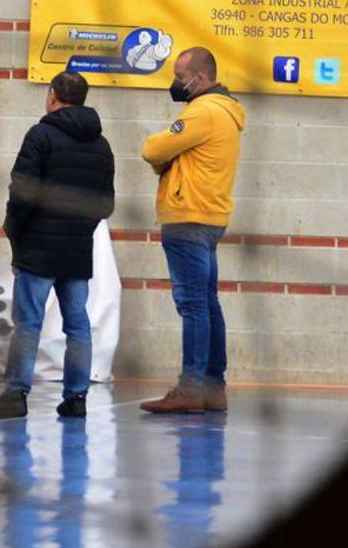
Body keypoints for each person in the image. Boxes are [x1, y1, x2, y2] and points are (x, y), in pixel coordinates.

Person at [0, 71, 115, 419]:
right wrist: (79, 228)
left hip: (38, 248)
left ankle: (15, 394)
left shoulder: (40, 135)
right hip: (76, 250)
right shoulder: (101, 146)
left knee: (29, 322)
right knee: (78, 324)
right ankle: (76, 398)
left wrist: (16, 232)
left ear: (53, 95)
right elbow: (106, 205)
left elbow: (22, 192)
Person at [138, 47, 246, 414]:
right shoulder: (228, 112)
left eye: (181, 77)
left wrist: (163, 158)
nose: (175, 84)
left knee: (193, 304)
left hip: (187, 218)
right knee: (208, 302)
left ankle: (191, 388)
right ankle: (214, 386)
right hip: (211, 217)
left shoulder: (203, 111)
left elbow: (154, 149)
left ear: (201, 78)